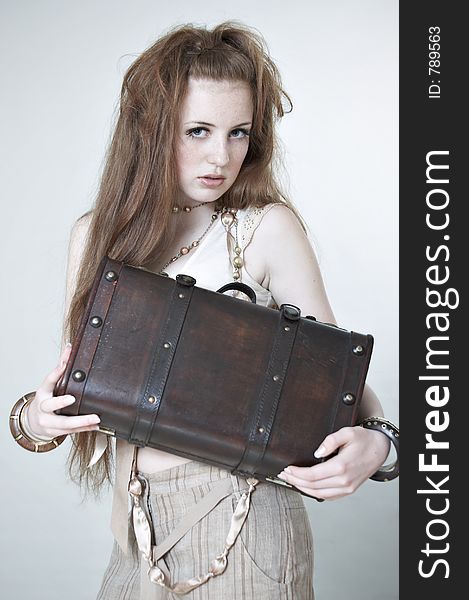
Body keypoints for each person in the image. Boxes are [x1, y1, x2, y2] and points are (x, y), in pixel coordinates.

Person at [9, 21, 397, 600]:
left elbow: (339, 383)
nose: (222, 156)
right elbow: (66, 395)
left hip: (245, 522)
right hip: (133, 528)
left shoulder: (265, 228)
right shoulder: (96, 239)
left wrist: (383, 446)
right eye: (198, 131)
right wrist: (35, 421)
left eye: (238, 133)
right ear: (151, 130)